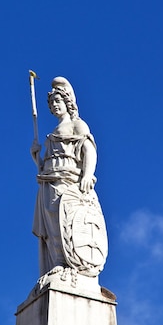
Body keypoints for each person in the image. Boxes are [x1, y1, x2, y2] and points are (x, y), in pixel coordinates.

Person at [31, 77, 107, 279]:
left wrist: (88, 174)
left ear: (67, 103)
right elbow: (46, 164)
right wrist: (36, 157)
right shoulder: (50, 134)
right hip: (49, 180)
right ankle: (58, 261)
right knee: (51, 222)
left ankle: (69, 261)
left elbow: (88, 148)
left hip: (69, 179)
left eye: (58, 101)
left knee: (65, 218)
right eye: (52, 103)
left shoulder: (77, 125)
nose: (55, 106)